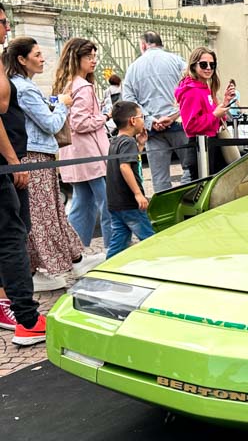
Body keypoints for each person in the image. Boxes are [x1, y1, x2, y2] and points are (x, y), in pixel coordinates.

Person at [7, 36, 104, 293]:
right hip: (36, 156)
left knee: (52, 213)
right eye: (37, 55)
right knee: (41, 215)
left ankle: (73, 258)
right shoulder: (24, 88)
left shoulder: (24, 85)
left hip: (41, 156)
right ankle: (40, 268)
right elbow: (50, 124)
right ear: (22, 59)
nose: (42, 59)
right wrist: (62, 105)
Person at [0, 2, 46, 345]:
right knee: (11, 236)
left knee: (12, 233)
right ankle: (27, 320)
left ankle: (12, 306)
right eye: (2, 23)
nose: (6, 29)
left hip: (9, 160)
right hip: (5, 163)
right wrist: (14, 161)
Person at [52, 37, 113, 249]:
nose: (93, 60)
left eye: (94, 56)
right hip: (90, 154)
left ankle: (75, 250)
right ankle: (111, 250)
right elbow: (80, 123)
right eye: (89, 57)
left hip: (74, 153)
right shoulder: (83, 86)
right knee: (108, 204)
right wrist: (105, 116)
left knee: (82, 203)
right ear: (76, 59)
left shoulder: (65, 83)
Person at [123, 31, 197, 189]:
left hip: (152, 130)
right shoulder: (177, 61)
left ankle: (165, 210)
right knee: (191, 170)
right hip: (180, 124)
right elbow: (191, 89)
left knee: (159, 178)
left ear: (143, 45)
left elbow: (129, 100)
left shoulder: (133, 68)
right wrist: (173, 115)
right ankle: (185, 200)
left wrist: (150, 120)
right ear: (160, 43)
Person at [175, 46, 235, 176]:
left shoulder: (203, 87)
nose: (208, 68)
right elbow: (190, 126)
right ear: (193, 66)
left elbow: (212, 117)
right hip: (201, 148)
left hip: (210, 145)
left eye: (212, 65)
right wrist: (215, 115)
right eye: (203, 64)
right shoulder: (192, 90)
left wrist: (223, 104)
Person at [105, 101, 155, 259]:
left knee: (119, 239)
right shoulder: (128, 142)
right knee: (150, 239)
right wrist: (138, 194)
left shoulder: (116, 141)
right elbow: (125, 167)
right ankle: (159, 265)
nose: (143, 120)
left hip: (116, 203)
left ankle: (108, 266)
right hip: (130, 203)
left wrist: (140, 145)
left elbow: (130, 163)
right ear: (133, 120)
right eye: (142, 117)